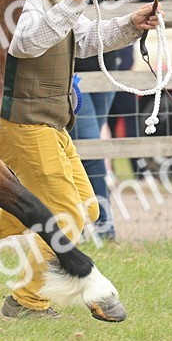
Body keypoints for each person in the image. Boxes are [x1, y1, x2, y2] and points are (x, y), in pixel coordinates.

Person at [0, 0, 160, 321]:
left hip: (48, 121)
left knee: (86, 208)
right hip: (22, 122)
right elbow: (27, 43)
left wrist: (131, 24)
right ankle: (27, 302)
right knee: (67, 213)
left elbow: (83, 40)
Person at [72, 45, 124, 240]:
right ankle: (104, 228)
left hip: (106, 68)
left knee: (85, 150)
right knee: (90, 146)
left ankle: (79, 228)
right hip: (72, 72)